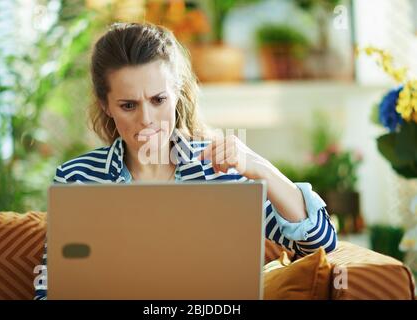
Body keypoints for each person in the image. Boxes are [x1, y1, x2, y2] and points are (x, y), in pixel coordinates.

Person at [34, 22, 337, 300]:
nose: (147, 120)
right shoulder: (77, 179)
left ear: (177, 93)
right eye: (128, 105)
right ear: (106, 105)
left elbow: (319, 243)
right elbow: (50, 290)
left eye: (158, 100)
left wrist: (259, 167)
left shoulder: (221, 173)